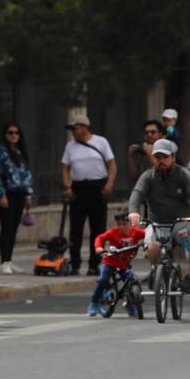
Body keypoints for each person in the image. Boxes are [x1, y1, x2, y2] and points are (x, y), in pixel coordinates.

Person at [127, 139, 190, 292]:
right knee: (153, 247)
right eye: (158, 157)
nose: (161, 161)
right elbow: (136, 194)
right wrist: (133, 212)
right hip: (157, 224)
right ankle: (156, 272)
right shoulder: (148, 176)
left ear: (173, 158)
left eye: (165, 157)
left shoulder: (184, 175)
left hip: (182, 224)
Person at [61, 113, 117, 276]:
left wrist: (109, 184)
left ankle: (94, 264)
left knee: (98, 228)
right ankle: (75, 263)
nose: (72, 132)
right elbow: (65, 167)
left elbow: (112, 165)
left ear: (84, 127)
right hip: (78, 188)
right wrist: (67, 186)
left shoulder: (101, 142)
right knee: (75, 228)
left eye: (74, 128)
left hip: (97, 186)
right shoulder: (70, 146)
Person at [0, 122, 35, 275]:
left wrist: (28, 194)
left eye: (17, 133)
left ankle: (9, 259)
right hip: (6, 193)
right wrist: (0, 194)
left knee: (14, 227)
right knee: (7, 226)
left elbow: (27, 174)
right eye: (10, 132)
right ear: (5, 134)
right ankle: (4, 261)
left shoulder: (20, 152)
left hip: (20, 193)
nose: (14, 135)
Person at [87, 213, 145, 316]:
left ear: (130, 223)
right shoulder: (112, 232)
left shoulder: (136, 232)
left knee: (132, 282)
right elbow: (99, 238)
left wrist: (150, 242)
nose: (121, 226)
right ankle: (94, 303)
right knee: (103, 280)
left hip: (124, 264)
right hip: (110, 262)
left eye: (124, 223)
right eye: (119, 224)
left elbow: (148, 234)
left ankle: (130, 305)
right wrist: (98, 248)